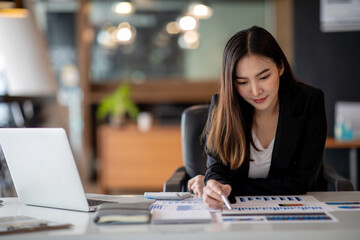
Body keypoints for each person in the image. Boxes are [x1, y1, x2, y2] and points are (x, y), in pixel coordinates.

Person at [187, 26, 327, 209]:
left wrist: (227, 186)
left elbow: (298, 183)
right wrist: (213, 184)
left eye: (264, 77)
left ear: (280, 66)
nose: (255, 91)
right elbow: (217, 169)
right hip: (237, 214)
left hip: (295, 210)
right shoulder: (223, 106)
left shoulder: (309, 102)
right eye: (243, 82)